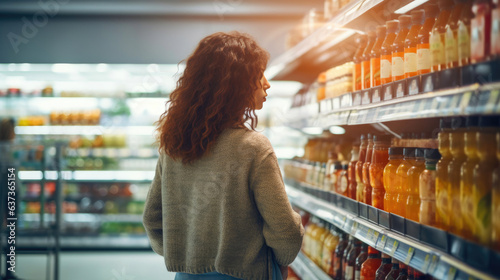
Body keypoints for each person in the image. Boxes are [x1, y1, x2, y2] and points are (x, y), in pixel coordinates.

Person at [142, 31, 304, 280]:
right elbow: (285, 230)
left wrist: (186, 254)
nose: (267, 83)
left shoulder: (174, 144)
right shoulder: (253, 147)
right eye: (259, 73)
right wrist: (280, 263)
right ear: (237, 82)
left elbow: (152, 219)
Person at [0, 118, 21, 280]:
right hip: (10, 194)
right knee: (11, 235)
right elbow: (11, 176)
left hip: (5, 193)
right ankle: (9, 271)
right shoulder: (10, 149)